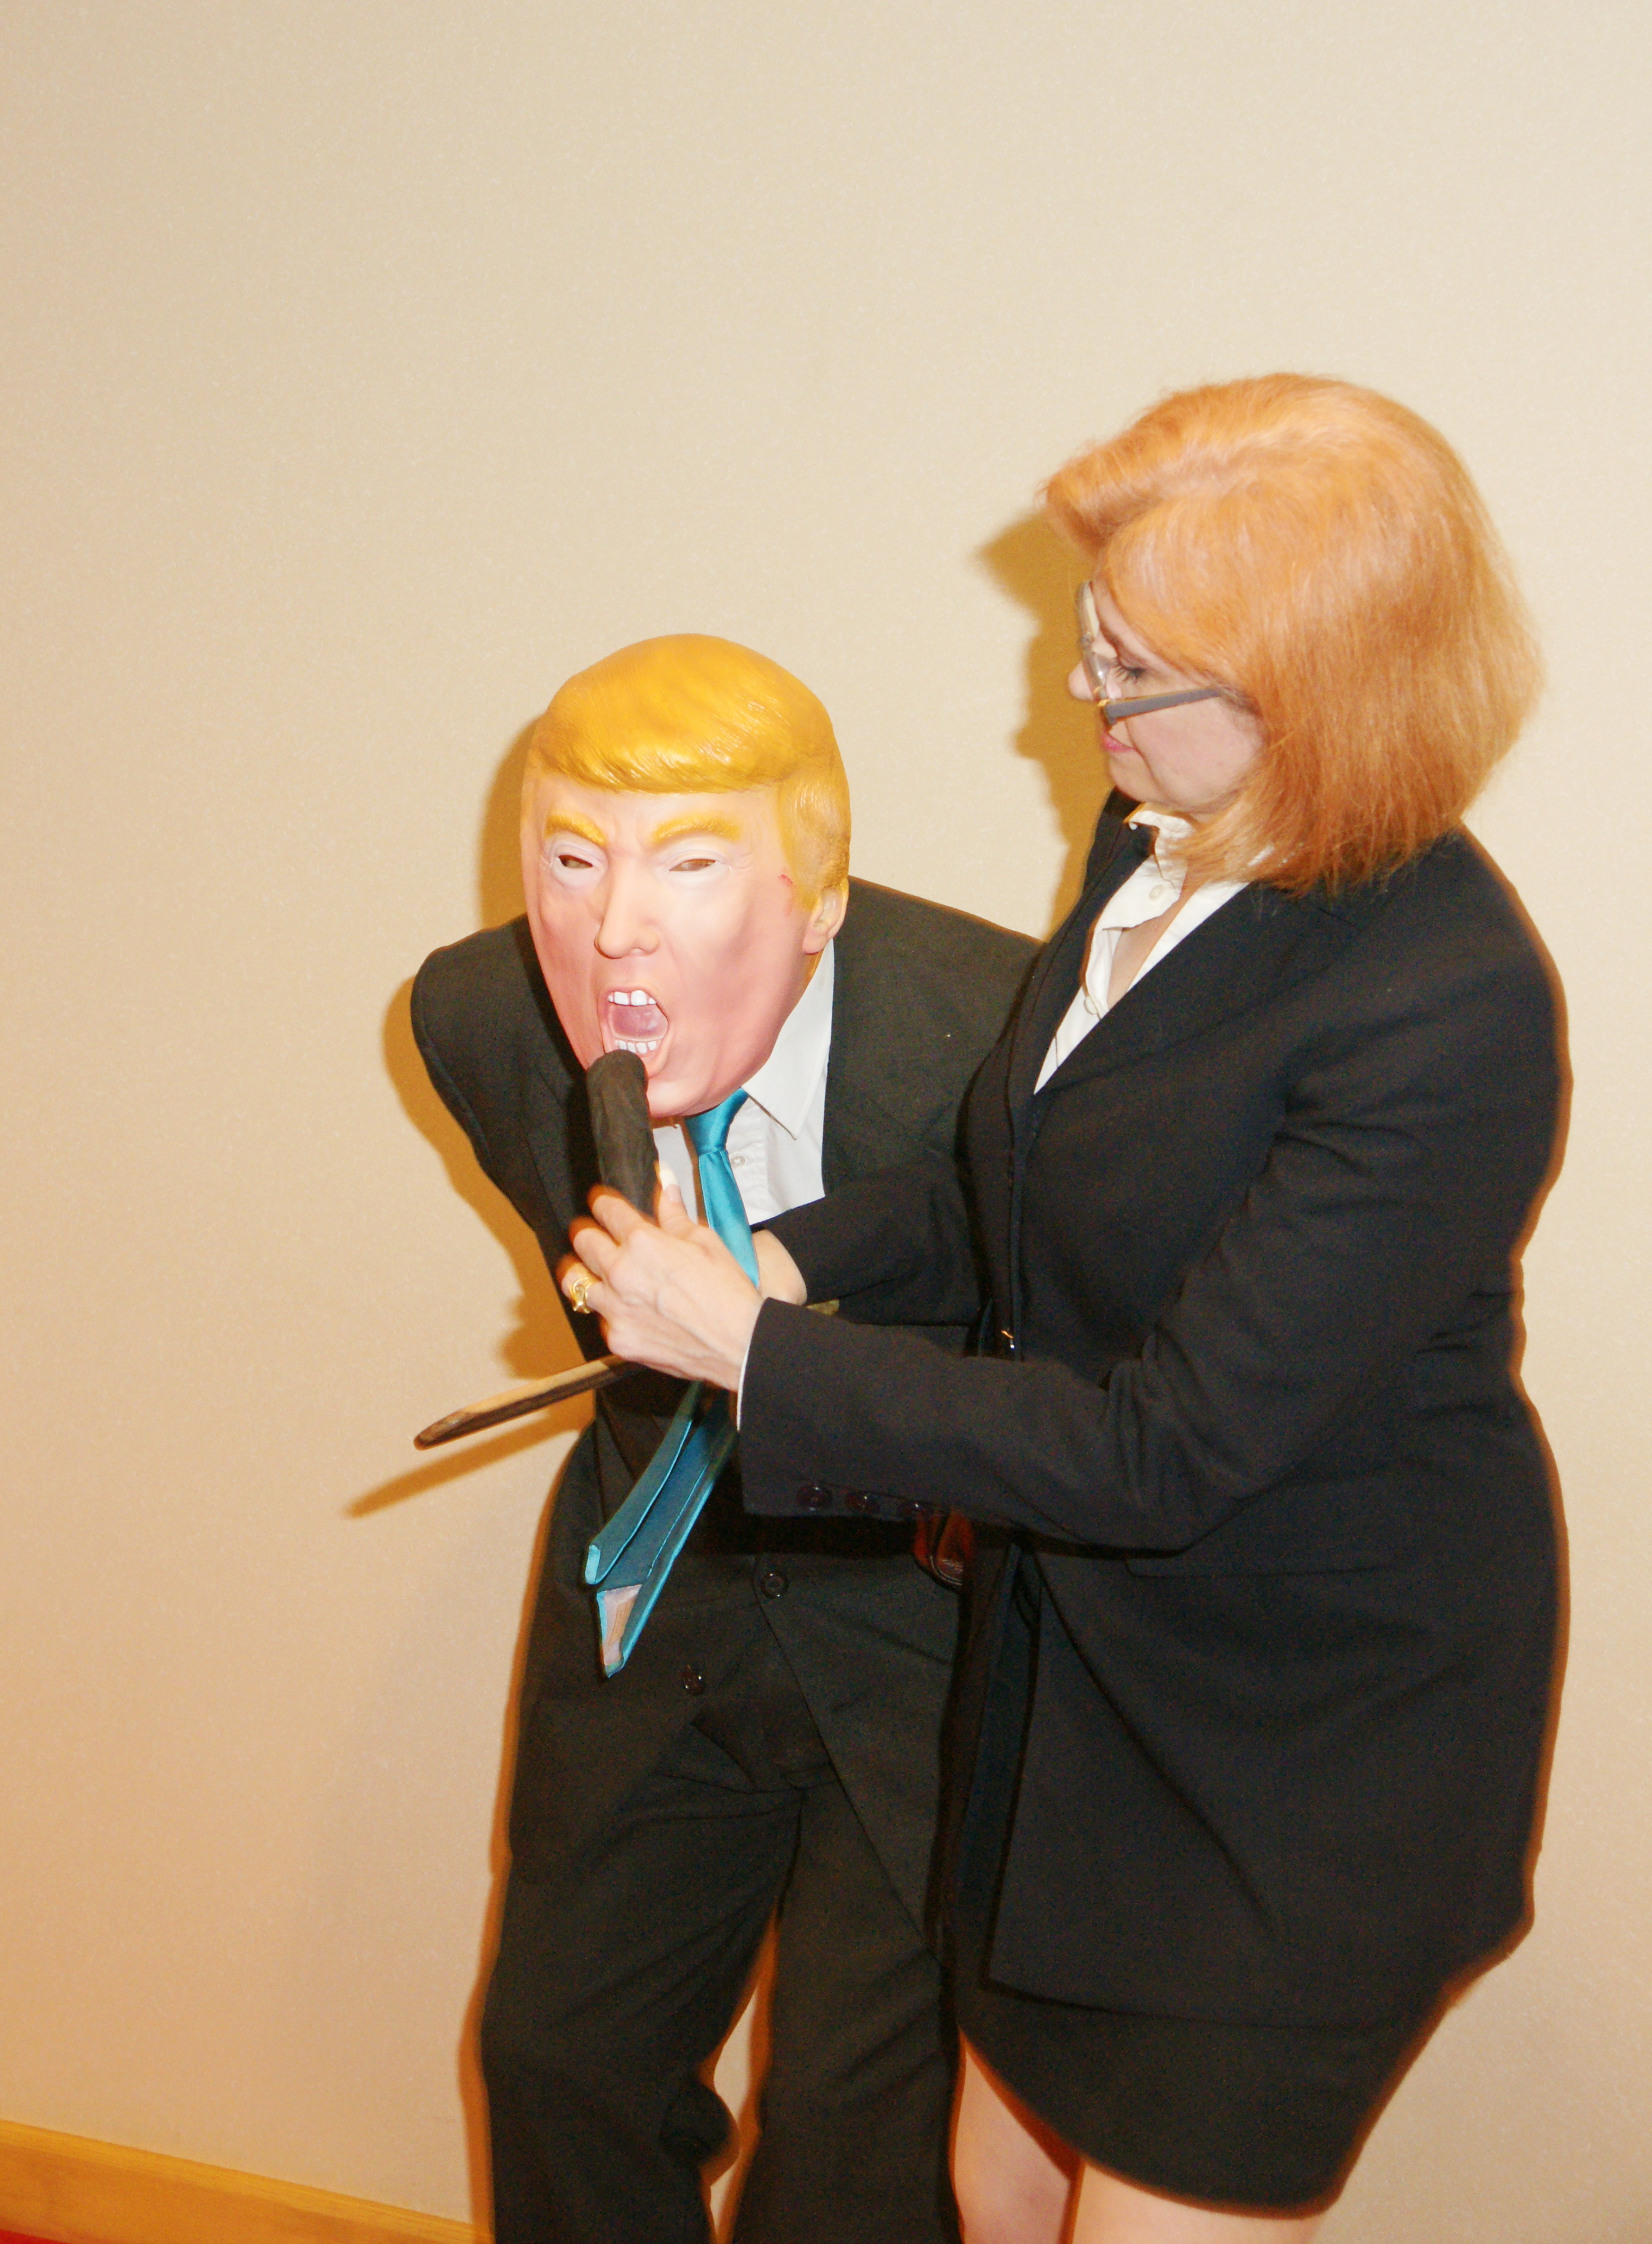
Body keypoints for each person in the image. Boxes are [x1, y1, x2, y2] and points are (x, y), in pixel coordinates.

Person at [566, 378, 1563, 2243]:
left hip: (1293, 1749)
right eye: (1091, 640)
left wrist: (758, 1353)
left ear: (1319, 694)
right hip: (1076, 1687)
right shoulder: (1153, 836)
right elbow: (1032, 1187)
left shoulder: (1447, 1002)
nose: (1081, 700)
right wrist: (794, 1260)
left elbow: (1162, 1446)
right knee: (993, 2186)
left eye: (1133, 670)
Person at [410, 633, 1032, 2244]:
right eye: (572, 859)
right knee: (558, 2063)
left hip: (926, 1620)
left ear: (819, 897)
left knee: (861, 2146)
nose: (615, 924)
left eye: (688, 864)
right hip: (657, 1580)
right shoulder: (481, 1016)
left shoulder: (1003, 1043)